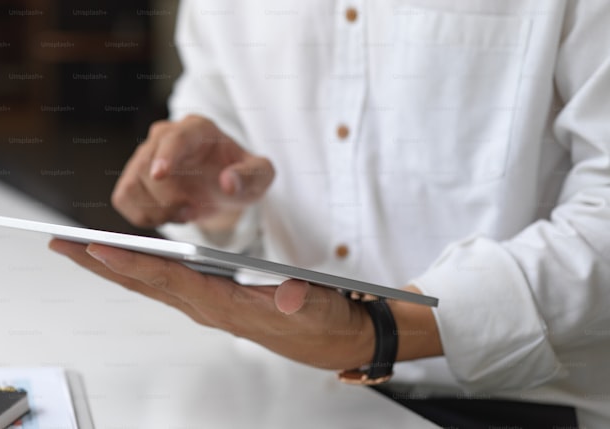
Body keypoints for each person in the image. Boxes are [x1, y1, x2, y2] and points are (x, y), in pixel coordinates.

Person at [49, 1, 610, 427]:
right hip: (281, 384)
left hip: (514, 402)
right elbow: (227, 145)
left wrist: (381, 332)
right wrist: (212, 203)